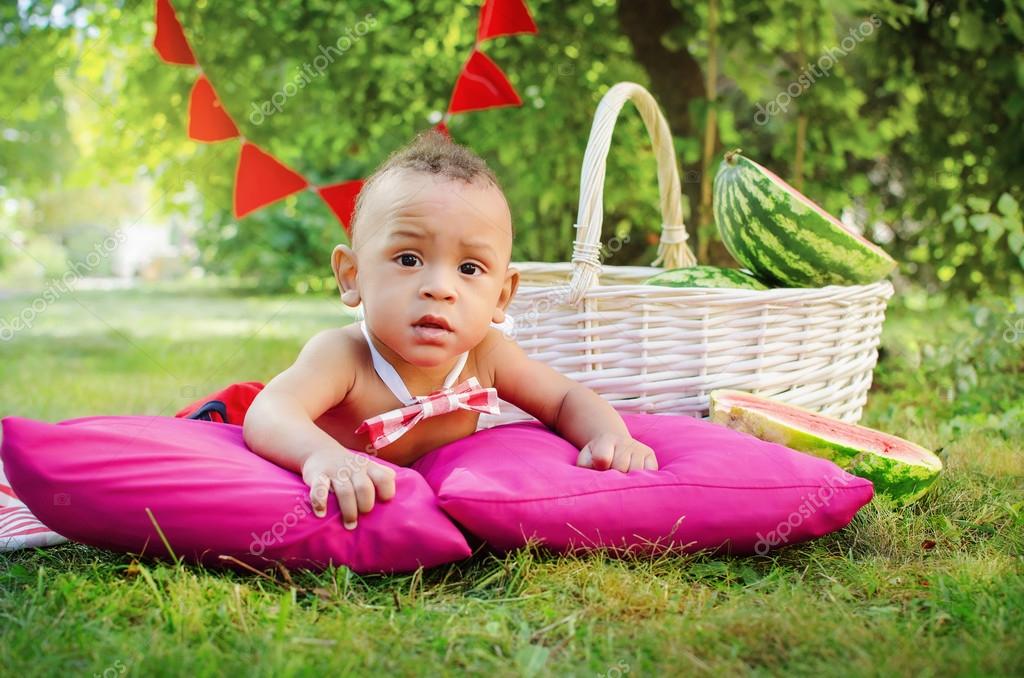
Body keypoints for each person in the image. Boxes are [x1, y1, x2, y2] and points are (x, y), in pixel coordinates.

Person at [242, 130, 658, 531]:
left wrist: (609, 436)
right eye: (409, 260)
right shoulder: (344, 356)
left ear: (501, 296)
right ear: (352, 276)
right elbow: (270, 411)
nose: (440, 288)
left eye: (469, 268)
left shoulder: (487, 355)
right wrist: (322, 456)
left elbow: (565, 399)